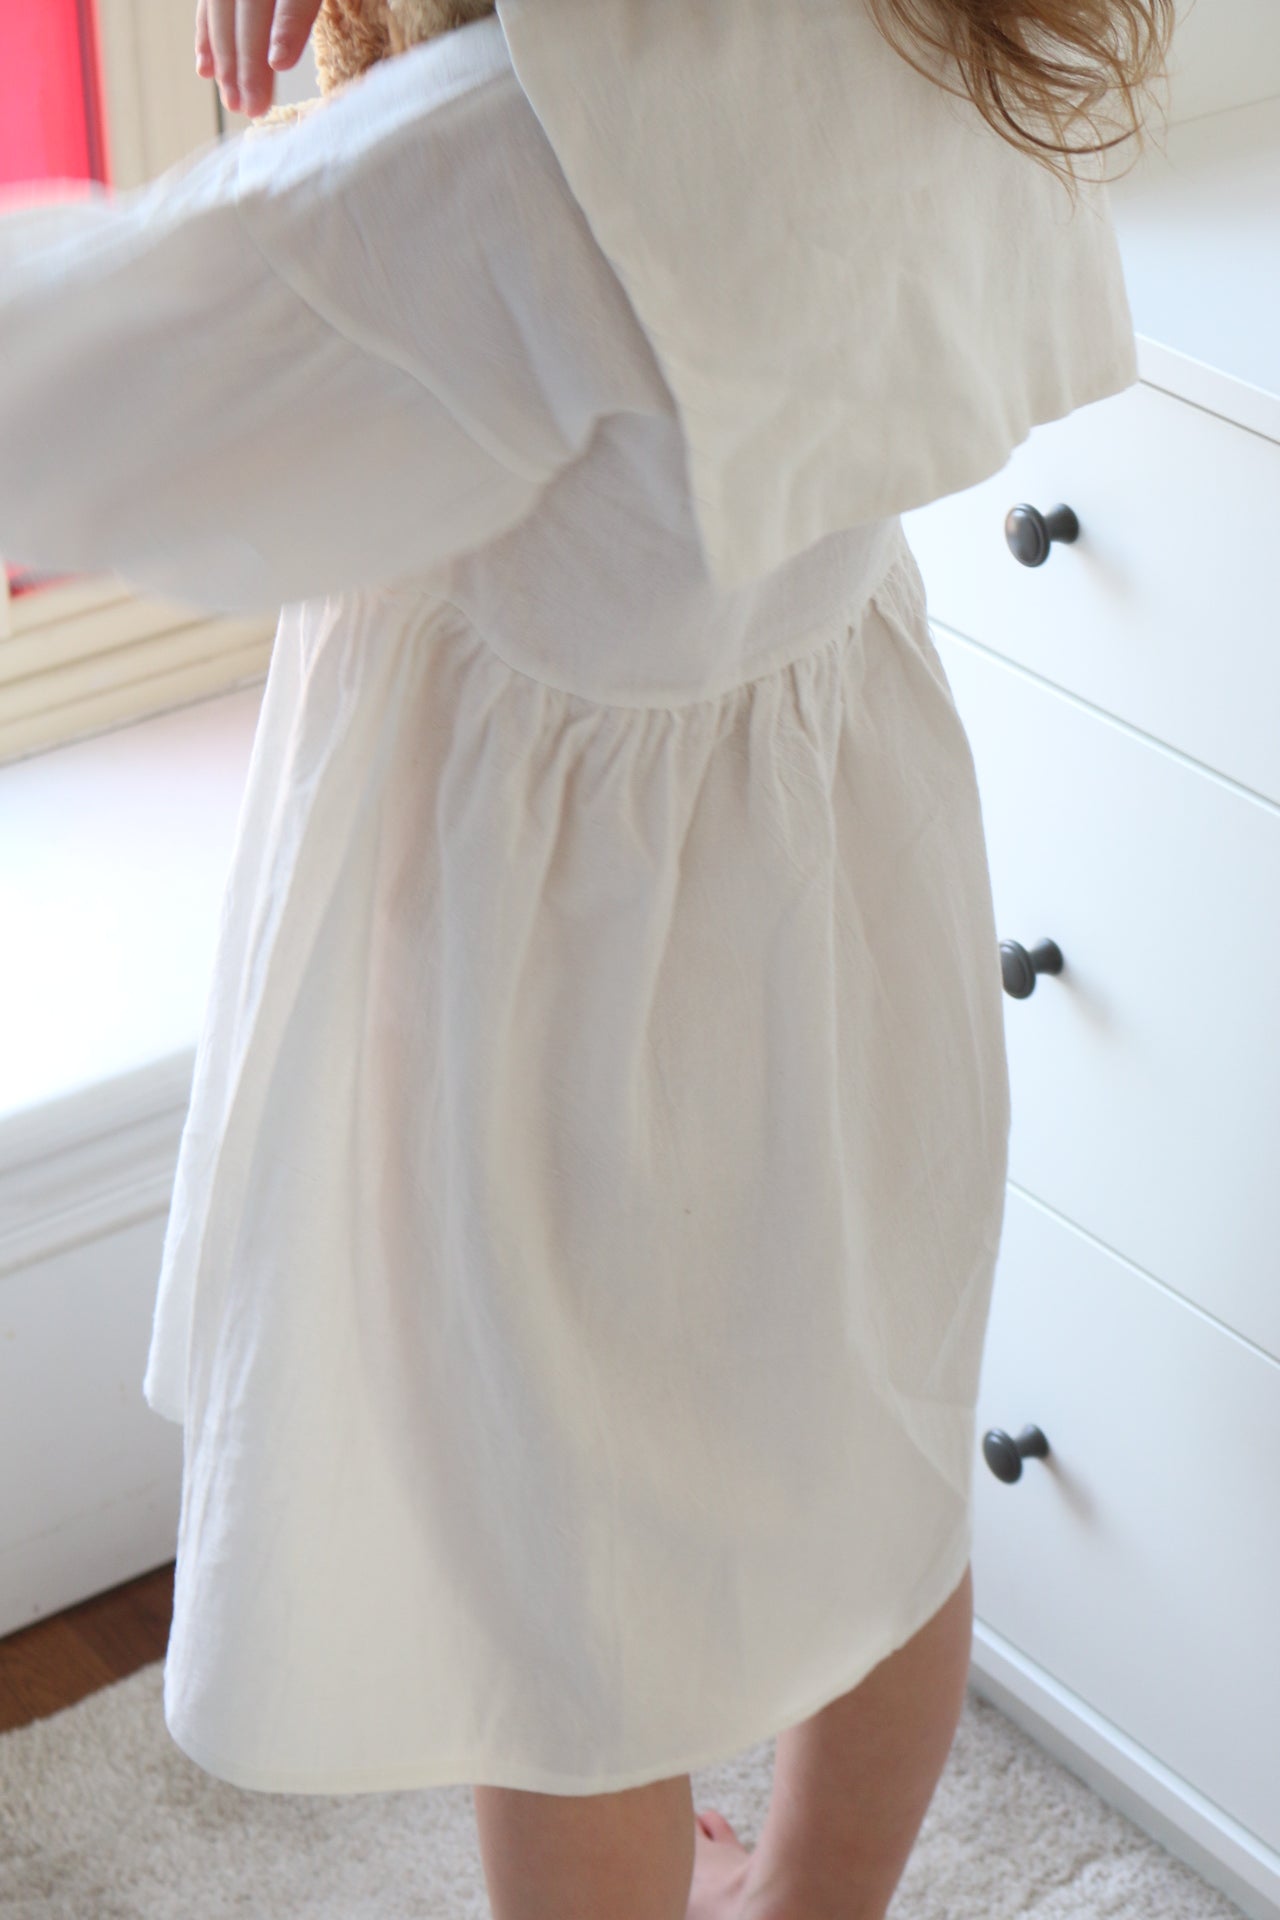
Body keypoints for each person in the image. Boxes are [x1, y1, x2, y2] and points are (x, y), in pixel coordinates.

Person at [0, 0, 1173, 1915]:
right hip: (845, 893)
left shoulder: (496, 172)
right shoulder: (942, 40)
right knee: (876, 1468)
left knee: (570, 1651)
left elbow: (93, 378)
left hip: (555, 1002)